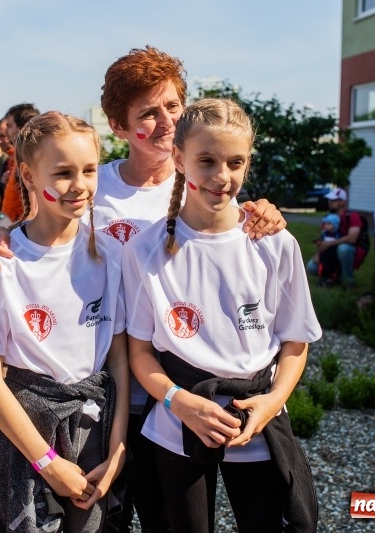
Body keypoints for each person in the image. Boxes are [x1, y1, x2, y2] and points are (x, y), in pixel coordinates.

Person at [0, 46, 286, 533]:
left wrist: (267, 213)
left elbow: (237, 239)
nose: (164, 122)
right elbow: (45, 234)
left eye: (173, 107)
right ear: (119, 127)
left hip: (182, 402)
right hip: (118, 401)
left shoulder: (205, 178)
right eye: (148, 113)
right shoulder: (99, 187)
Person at [122, 98, 321, 533]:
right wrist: (180, 401)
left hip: (256, 422)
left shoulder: (274, 244)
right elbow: (139, 352)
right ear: (178, 157)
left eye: (236, 162)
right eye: (207, 160)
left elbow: (295, 344)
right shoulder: (145, 250)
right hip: (178, 424)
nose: (222, 176)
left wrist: (272, 402)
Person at [0, 111, 129, 532]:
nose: (80, 185)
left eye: (89, 170)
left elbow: (119, 364)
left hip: (98, 436)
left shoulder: (111, 255)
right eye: (63, 172)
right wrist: (48, 464)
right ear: (29, 177)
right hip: (31, 441)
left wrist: (118, 449)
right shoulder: (2, 262)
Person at [305, 188, 364, 288]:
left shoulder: (352, 216)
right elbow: (324, 237)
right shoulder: (328, 217)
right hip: (329, 252)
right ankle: (332, 276)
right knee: (310, 268)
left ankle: (348, 280)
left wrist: (330, 244)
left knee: (343, 249)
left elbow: (352, 238)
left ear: (342, 202)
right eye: (329, 200)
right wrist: (320, 250)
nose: (330, 203)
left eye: (333, 200)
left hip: (346, 251)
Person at [0, 104, 40, 221]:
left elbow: (33, 210)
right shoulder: (16, 154)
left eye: (9, 126)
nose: (6, 130)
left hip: (21, 229)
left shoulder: (29, 156)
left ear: (22, 127)